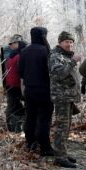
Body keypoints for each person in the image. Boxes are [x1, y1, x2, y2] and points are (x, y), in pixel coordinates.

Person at [18, 27, 54, 156]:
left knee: (30, 117)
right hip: (45, 90)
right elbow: (52, 72)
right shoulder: (46, 51)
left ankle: (31, 143)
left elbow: (20, 72)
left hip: (29, 90)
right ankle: (45, 147)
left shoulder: (24, 51)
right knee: (44, 118)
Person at [49, 31, 81, 168]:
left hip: (67, 97)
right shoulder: (55, 56)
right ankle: (60, 157)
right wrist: (73, 62)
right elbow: (59, 74)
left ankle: (63, 153)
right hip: (61, 97)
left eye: (71, 42)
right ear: (60, 42)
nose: (70, 44)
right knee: (61, 126)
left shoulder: (65, 56)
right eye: (67, 42)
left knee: (66, 126)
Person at [5, 35, 27, 133]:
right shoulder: (18, 56)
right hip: (16, 86)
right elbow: (22, 72)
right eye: (16, 43)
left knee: (12, 106)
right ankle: (14, 129)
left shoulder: (10, 55)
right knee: (15, 108)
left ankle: (12, 128)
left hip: (11, 85)